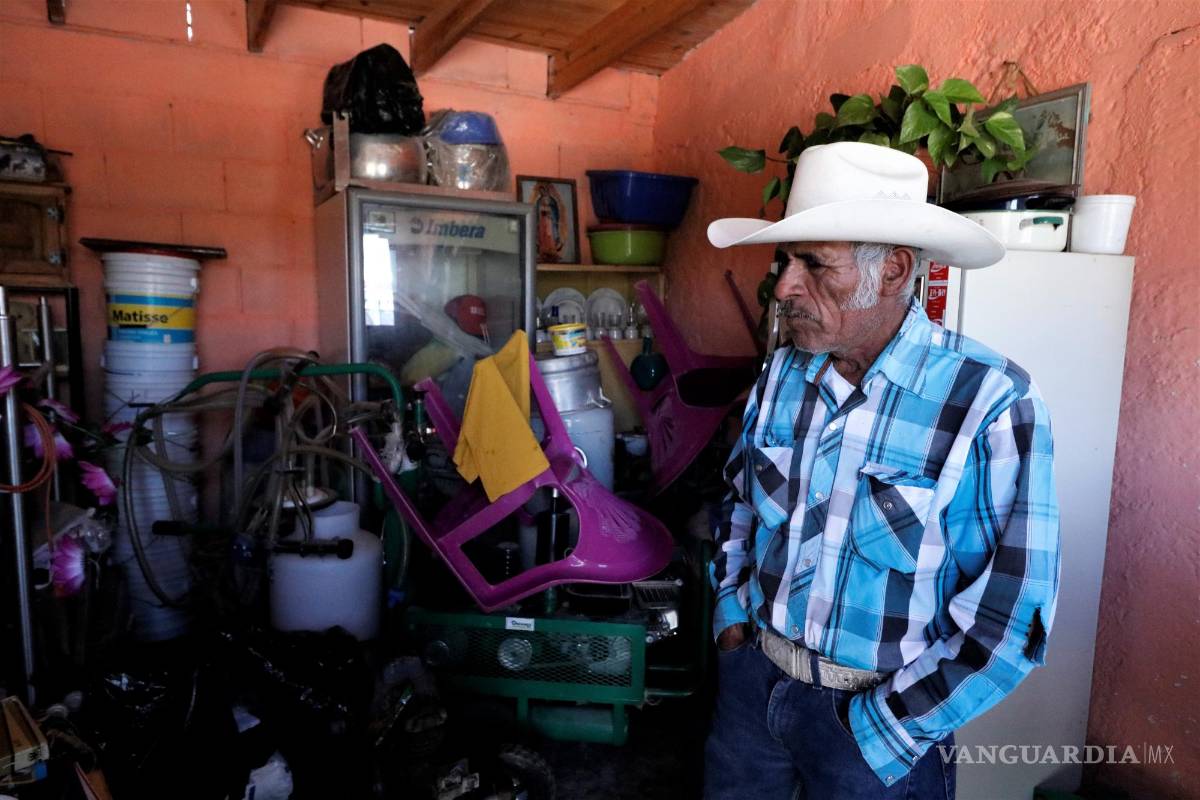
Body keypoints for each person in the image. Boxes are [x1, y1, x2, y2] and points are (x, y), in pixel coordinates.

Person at [702, 142, 1061, 799]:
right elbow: (741, 500)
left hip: (874, 726)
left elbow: (1010, 617)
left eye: (814, 264)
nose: (784, 286)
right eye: (786, 260)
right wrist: (731, 619)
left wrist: (884, 727)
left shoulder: (986, 401)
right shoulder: (784, 370)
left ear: (894, 270)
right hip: (754, 687)